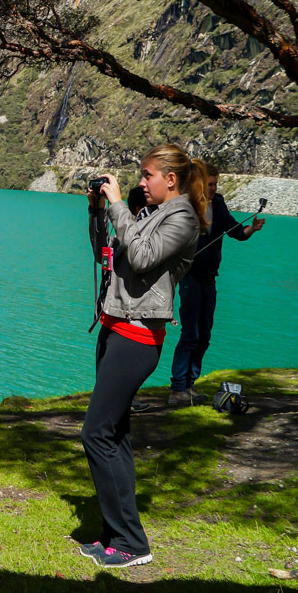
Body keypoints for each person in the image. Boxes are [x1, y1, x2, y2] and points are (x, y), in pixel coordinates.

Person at [80, 143, 207, 568]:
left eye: (146, 175)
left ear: (170, 179)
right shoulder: (149, 214)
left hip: (138, 339)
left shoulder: (183, 217)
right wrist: (100, 210)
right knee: (115, 435)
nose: (139, 182)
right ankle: (114, 536)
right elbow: (108, 251)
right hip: (114, 329)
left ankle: (133, 543)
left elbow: (141, 255)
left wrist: (118, 205)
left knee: (95, 433)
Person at [168, 160, 265, 405]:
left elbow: (236, 232)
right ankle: (178, 387)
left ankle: (190, 384)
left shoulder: (219, 204)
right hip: (190, 278)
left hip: (209, 279)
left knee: (205, 335)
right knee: (190, 333)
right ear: (199, 184)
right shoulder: (188, 205)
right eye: (210, 184)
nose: (213, 188)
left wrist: (251, 229)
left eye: (216, 184)